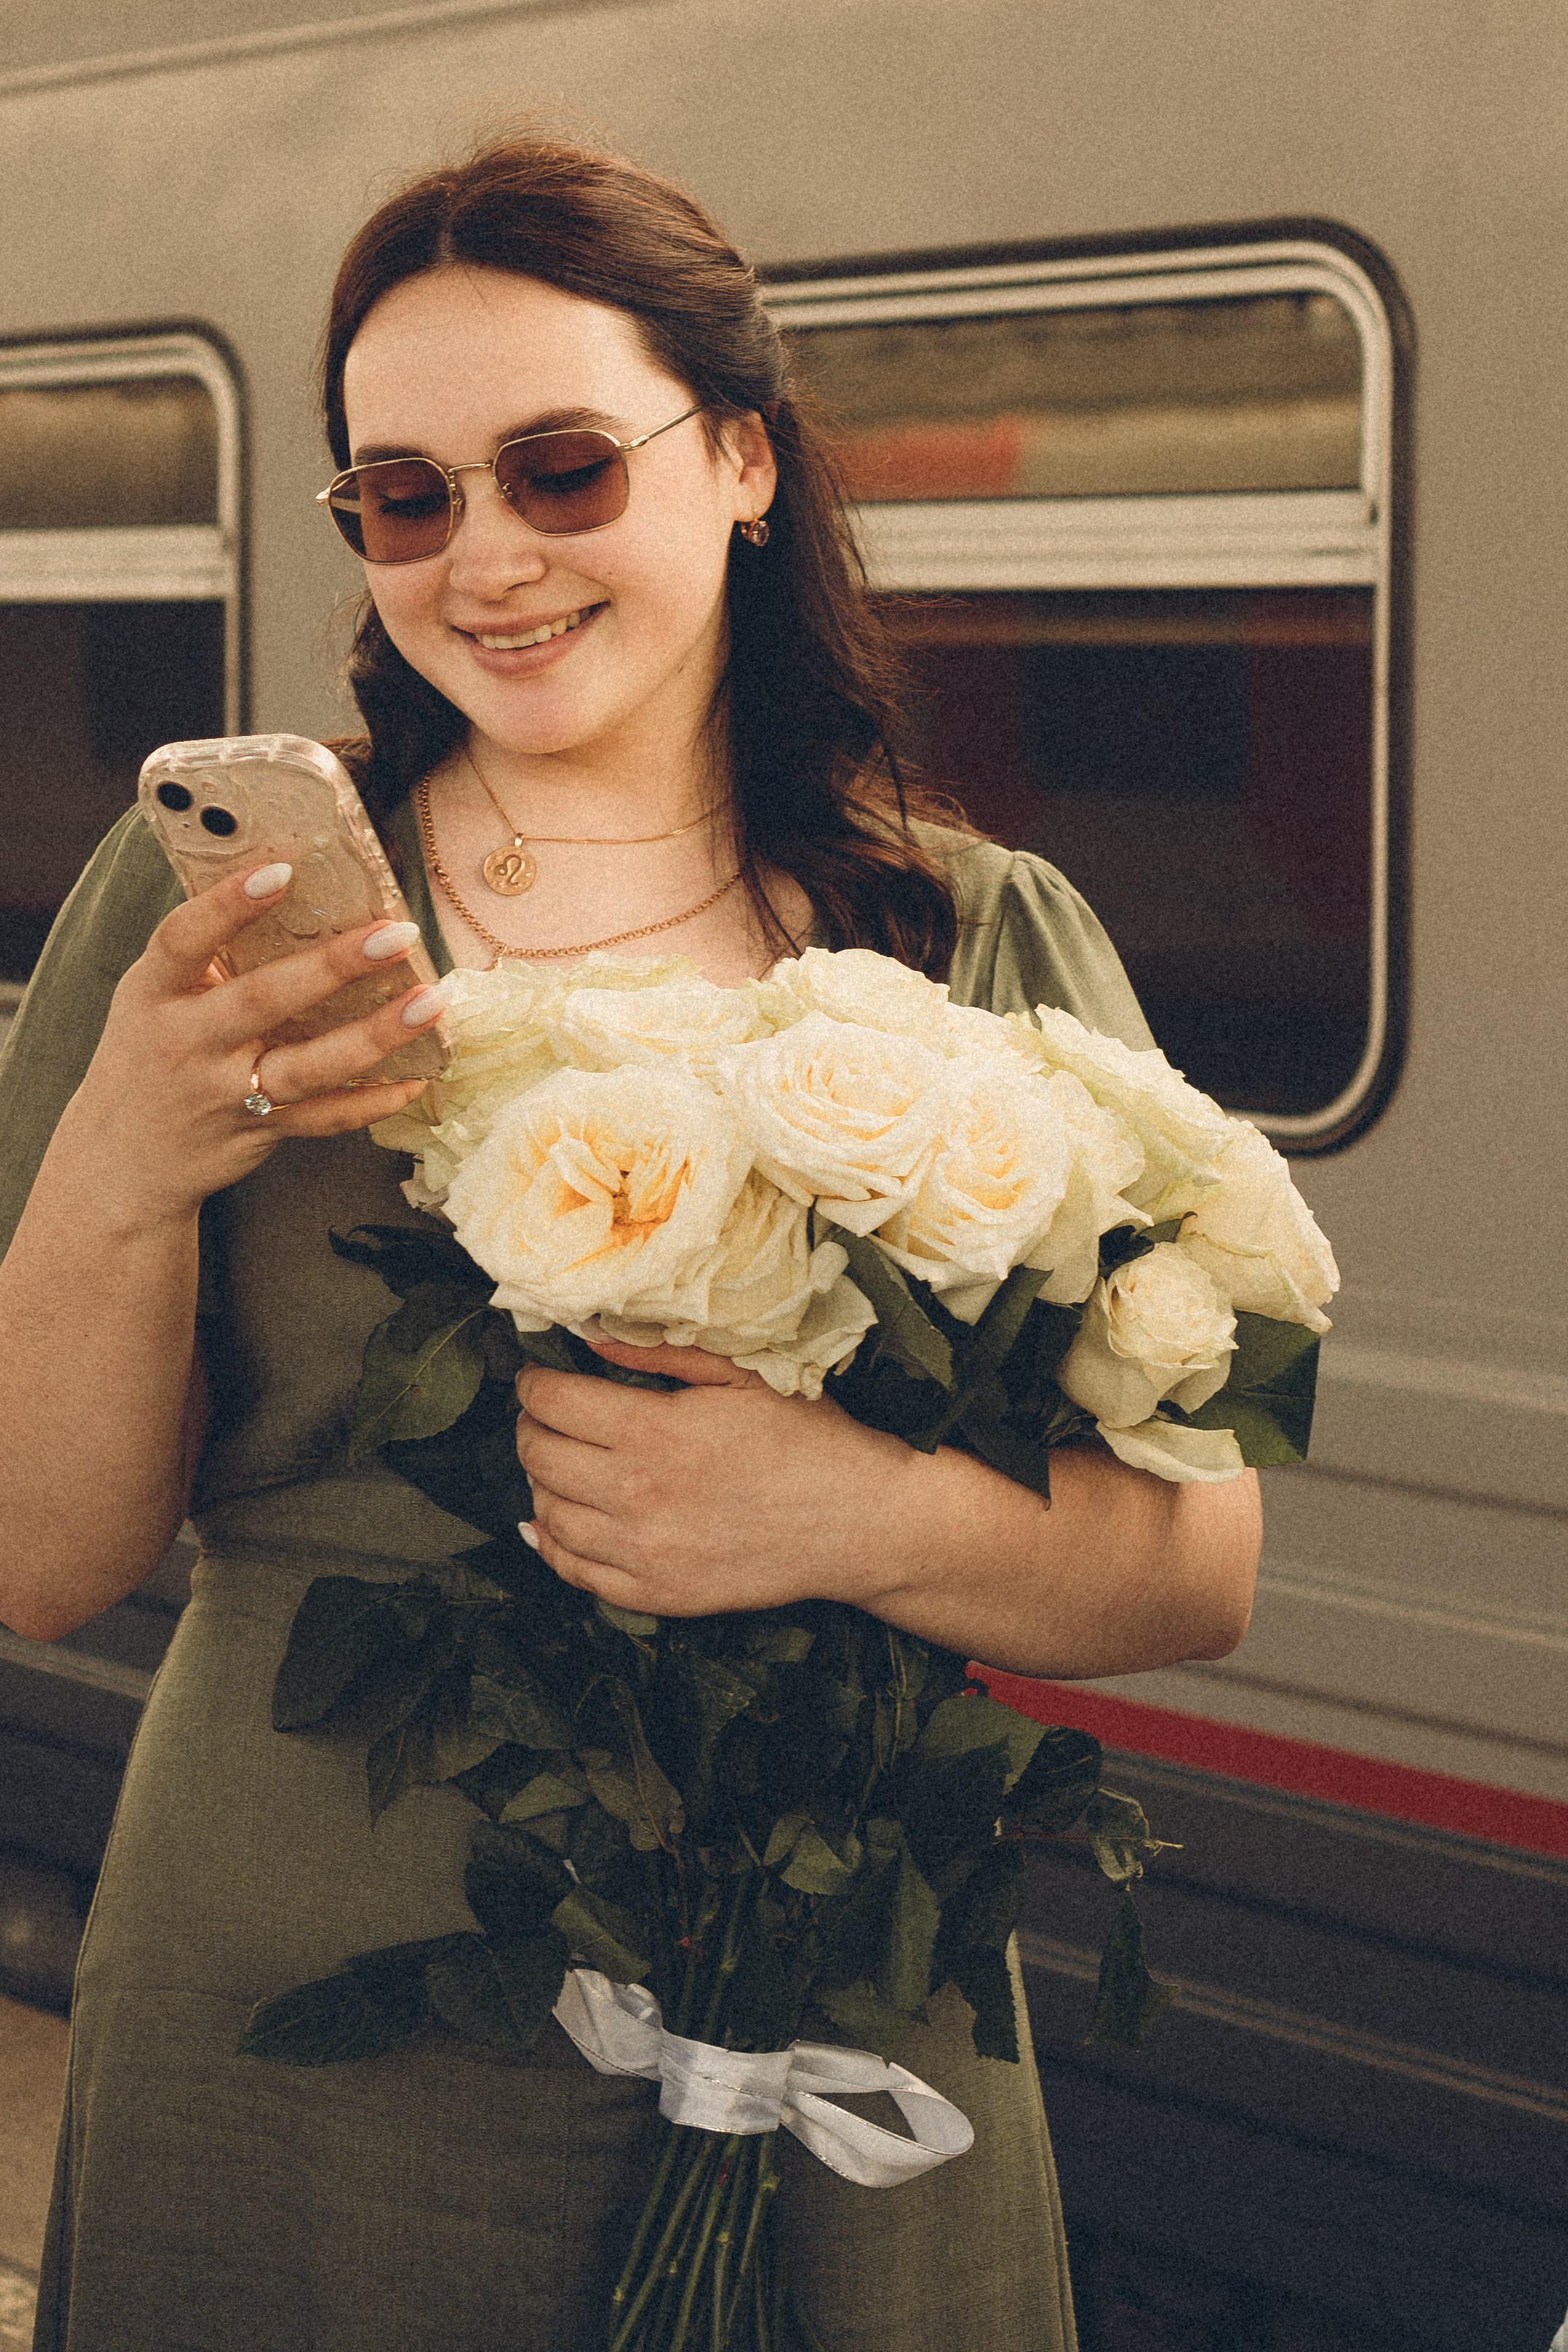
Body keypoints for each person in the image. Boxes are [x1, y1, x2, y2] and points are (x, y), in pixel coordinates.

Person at [0, 137, 1260, 2352]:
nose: (483, 558)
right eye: (404, 498)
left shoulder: (973, 934)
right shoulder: (211, 918)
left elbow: (1197, 1565)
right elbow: (36, 1563)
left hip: (839, 1960)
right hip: (298, 2001)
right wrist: (121, 1154)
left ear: (743, 462)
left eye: (561, 468)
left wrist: (847, 1511)